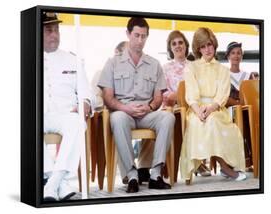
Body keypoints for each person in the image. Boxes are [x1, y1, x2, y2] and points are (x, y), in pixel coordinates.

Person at [98, 17, 175, 193]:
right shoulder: (112, 63)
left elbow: (158, 98)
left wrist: (149, 107)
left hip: (146, 113)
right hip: (124, 112)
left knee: (168, 117)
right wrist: (126, 108)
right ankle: (132, 176)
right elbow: (107, 98)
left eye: (144, 36)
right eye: (136, 35)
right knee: (117, 118)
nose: (140, 41)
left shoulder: (154, 64)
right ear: (128, 34)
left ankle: (155, 174)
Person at [180, 27, 246, 183]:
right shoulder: (192, 67)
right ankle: (226, 169)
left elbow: (222, 95)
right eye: (202, 46)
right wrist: (198, 111)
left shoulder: (223, 70)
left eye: (209, 44)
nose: (207, 49)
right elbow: (191, 95)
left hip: (217, 109)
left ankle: (226, 166)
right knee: (203, 123)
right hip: (196, 111)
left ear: (214, 45)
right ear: (198, 48)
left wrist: (210, 109)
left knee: (214, 121)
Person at [43, 12, 95, 201]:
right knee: (25, 126)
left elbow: (86, 92)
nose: (54, 34)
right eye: (49, 30)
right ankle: (59, 183)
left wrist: (86, 102)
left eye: (56, 30)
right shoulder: (25, 58)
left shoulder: (72, 59)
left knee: (78, 123)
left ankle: (52, 183)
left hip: (64, 114)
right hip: (37, 114)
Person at [163, 30, 211, 177]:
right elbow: (165, 94)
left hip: (194, 106)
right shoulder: (165, 68)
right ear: (170, 48)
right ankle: (169, 165)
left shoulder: (196, 66)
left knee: (204, 116)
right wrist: (182, 96)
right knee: (176, 118)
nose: (178, 46)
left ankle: (197, 162)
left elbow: (203, 89)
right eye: (174, 43)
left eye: (180, 42)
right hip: (174, 107)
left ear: (186, 45)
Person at [225, 41, 259, 107]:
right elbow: (223, 99)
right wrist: (239, 104)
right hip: (229, 113)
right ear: (228, 56)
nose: (236, 56)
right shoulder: (224, 76)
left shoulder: (248, 76)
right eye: (233, 53)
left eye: (238, 53)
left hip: (248, 112)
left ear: (241, 56)